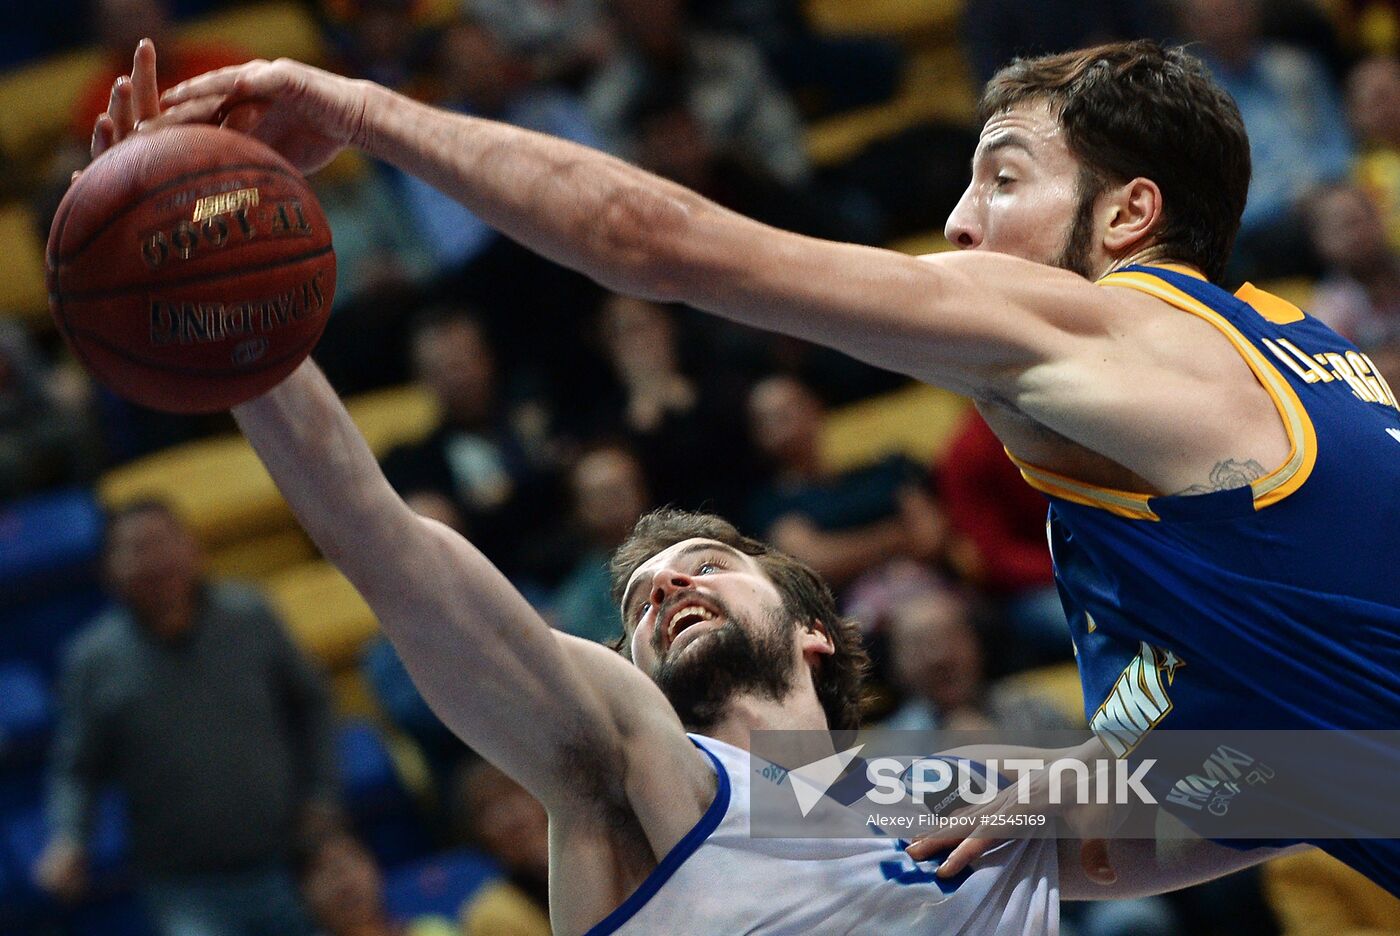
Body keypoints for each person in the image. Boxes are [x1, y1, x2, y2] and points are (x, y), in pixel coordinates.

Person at [109, 31, 1400, 898]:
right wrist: (1053, 798)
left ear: (1130, 216)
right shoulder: (1300, 386)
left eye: (1002, 179)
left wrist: (358, 109)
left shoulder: (1121, 324)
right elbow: (1327, 774)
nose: (956, 225)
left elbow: (657, 242)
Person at [37, 499, 339, 936]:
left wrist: (322, 794)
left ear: (194, 549)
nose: (155, 559)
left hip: (290, 859)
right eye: (136, 549)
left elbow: (313, 702)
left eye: (164, 542)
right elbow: (77, 768)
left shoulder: (250, 616)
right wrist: (69, 839)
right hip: (185, 886)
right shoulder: (93, 661)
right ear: (109, 571)